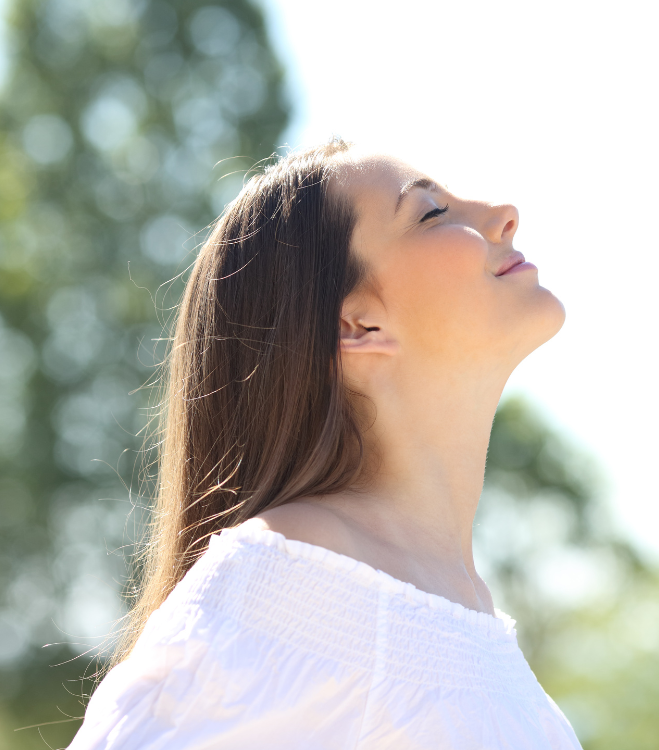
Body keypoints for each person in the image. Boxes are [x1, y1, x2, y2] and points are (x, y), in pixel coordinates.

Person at [69, 138, 580, 749]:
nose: (504, 212)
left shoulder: (473, 625)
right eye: (430, 213)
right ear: (357, 325)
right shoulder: (292, 575)